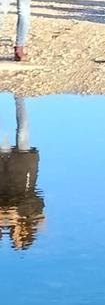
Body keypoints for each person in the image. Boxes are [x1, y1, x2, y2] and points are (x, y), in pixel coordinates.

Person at [0, 96, 44, 251]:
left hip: (5, 172)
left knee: (18, 132)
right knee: (22, 131)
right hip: (23, 168)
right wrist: (17, 213)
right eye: (17, 238)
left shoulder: (5, 223)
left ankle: (18, 95)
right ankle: (19, 96)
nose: (13, 235)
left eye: (13, 238)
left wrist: (9, 212)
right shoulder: (34, 216)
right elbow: (35, 199)